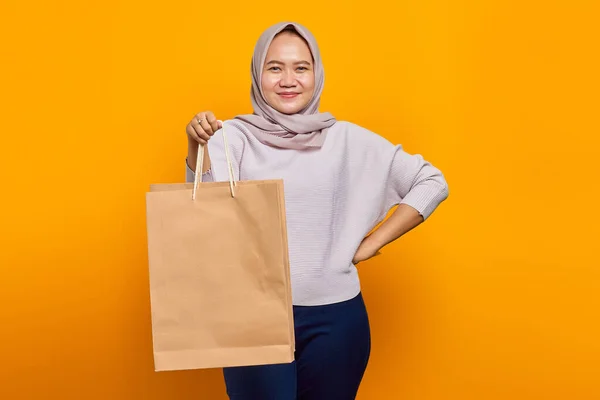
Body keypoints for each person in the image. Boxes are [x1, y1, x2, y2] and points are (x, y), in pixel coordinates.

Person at [184, 21, 449, 400]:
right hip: (252, 317)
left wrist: (373, 243)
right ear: (258, 75)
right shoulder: (232, 137)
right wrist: (196, 147)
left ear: (316, 74)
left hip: (337, 318)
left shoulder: (347, 139)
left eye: (301, 67)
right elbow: (206, 214)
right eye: (275, 67)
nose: (288, 79)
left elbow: (432, 183)